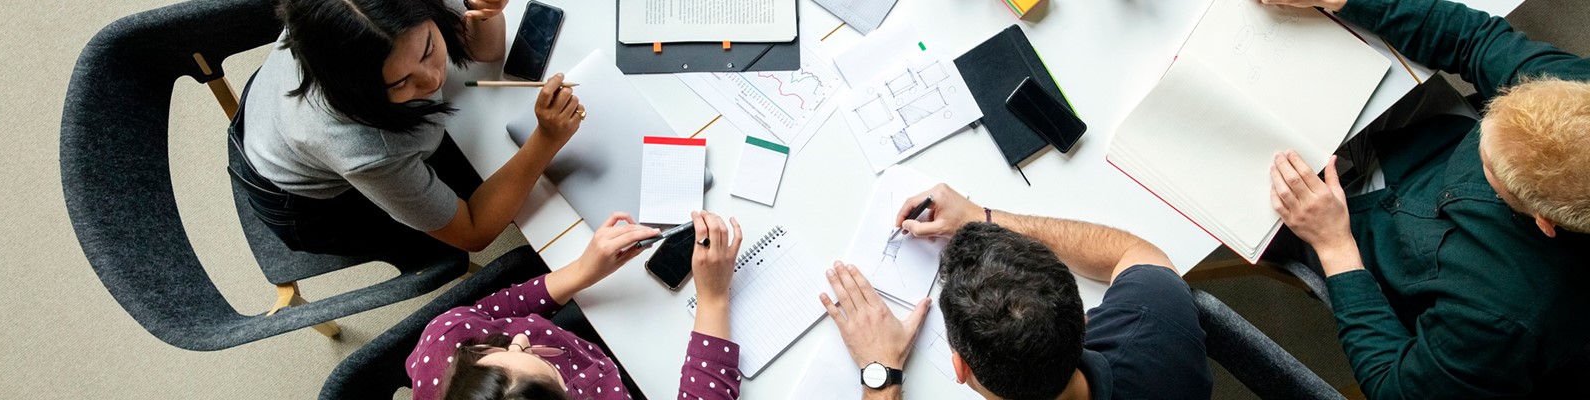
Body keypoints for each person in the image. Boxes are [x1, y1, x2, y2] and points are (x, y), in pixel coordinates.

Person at [1260, 0, 1590, 397]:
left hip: (1373, 246)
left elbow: (1394, 388)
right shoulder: (1574, 92)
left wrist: (1335, 248)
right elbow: (1475, 41)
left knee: (1226, 191)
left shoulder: (1501, 322)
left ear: (1543, 221)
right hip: (1434, 145)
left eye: (1491, 166)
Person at [232, 0, 585, 256]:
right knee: (503, 186)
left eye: (429, 48)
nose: (434, 80)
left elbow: (486, 51)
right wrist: (545, 141)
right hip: (304, 203)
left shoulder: (373, 11)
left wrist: (485, 12)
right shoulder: (363, 148)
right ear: (360, 88)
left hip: (272, 111)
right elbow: (474, 231)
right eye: (402, 81)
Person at [818, 184, 1213, 400]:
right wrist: (984, 218)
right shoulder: (1159, 321)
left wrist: (880, 373)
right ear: (1080, 315)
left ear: (961, 369)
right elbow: (1135, 252)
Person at [407, 211, 746, 400]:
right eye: (531, 358)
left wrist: (581, 272)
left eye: (500, 349)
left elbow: (495, 312)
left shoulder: (447, 341)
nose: (522, 340)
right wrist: (714, 299)